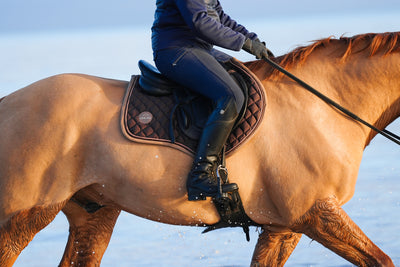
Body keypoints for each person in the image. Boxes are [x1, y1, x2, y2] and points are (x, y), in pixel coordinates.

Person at [151, 0, 272, 201]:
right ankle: (200, 175)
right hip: (177, 48)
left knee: (247, 77)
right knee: (231, 96)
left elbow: (219, 17)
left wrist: (252, 39)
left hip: (200, 48)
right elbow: (199, 21)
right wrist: (244, 43)